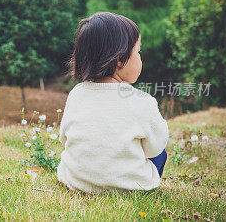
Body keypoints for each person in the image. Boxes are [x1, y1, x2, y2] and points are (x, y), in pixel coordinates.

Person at [57, 12, 169, 193]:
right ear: (119, 59)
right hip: (130, 188)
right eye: (138, 52)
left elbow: (65, 138)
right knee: (161, 155)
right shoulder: (142, 101)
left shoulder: (76, 94)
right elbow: (155, 148)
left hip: (77, 183)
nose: (140, 58)